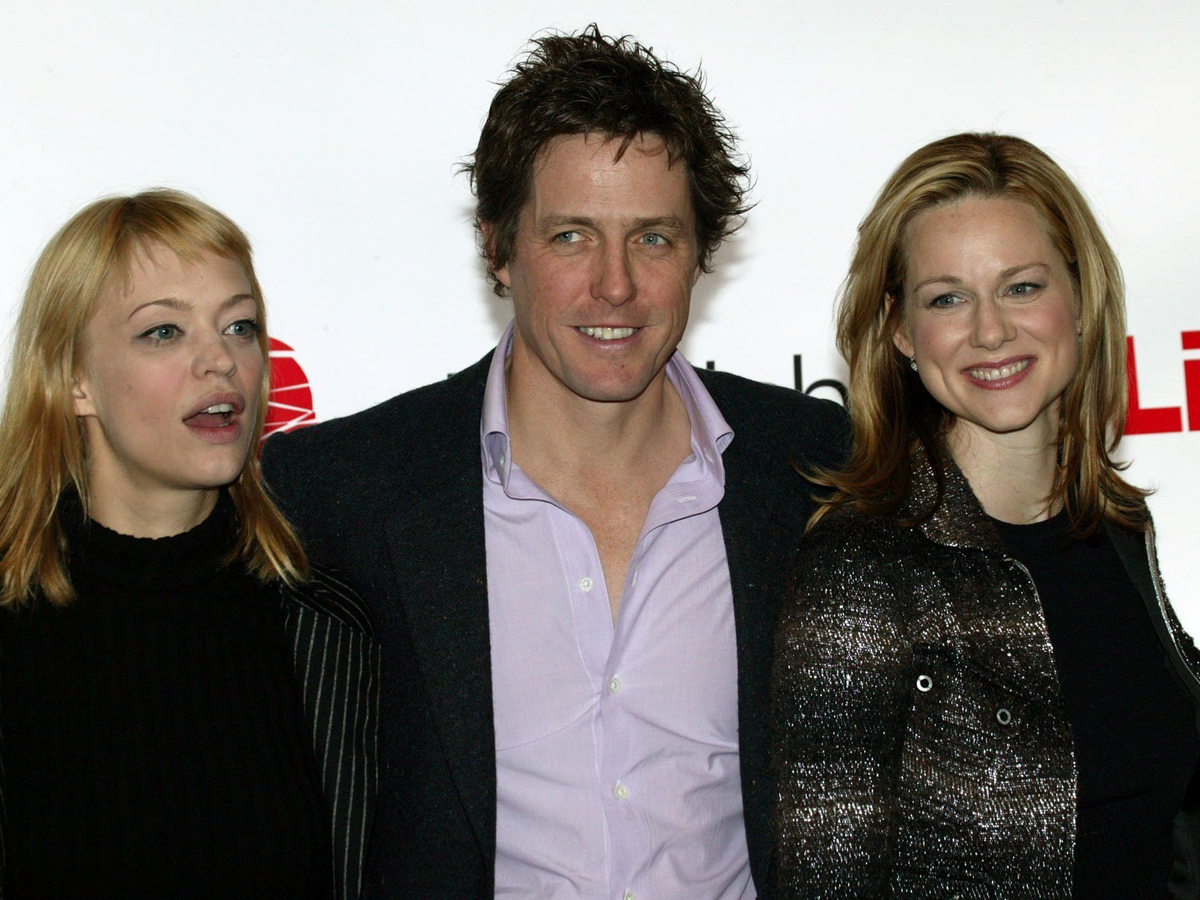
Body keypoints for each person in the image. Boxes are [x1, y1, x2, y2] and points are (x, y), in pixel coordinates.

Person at [261, 25, 847, 899]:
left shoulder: (821, 471)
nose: (616, 285)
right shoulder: (342, 491)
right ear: (498, 250)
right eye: (571, 236)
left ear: (700, 253)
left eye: (653, 238)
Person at [771, 132, 1200, 899]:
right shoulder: (863, 564)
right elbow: (826, 878)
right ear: (901, 330)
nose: (991, 330)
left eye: (1022, 287)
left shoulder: (1119, 524)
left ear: (1081, 296)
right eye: (947, 298)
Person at [0, 190, 379, 899]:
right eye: (164, 332)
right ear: (73, 378)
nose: (220, 361)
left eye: (240, 326)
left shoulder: (330, 629)